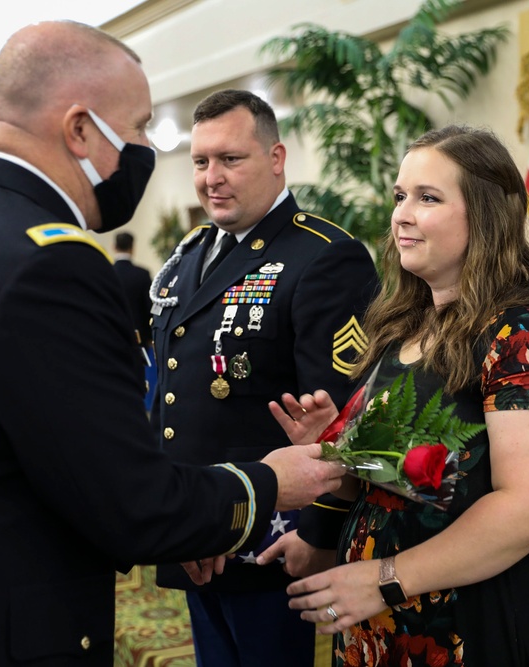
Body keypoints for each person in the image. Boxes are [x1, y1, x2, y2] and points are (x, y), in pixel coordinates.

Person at [0, 22, 343, 666]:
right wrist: (265, 484)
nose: (144, 150)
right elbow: (130, 503)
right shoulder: (52, 263)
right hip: (3, 623)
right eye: (136, 129)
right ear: (81, 129)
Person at [263, 125, 529, 665]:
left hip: (486, 618)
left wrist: (384, 580)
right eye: (400, 196)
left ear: (486, 217)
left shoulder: (525, 337)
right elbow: (417, 476)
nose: (401, 214)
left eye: (427, 198)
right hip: (386, 614)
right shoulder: (403, 326)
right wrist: (336, 447)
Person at [148, 89, 378, 666]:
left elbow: (345, 418)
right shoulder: (190, 255)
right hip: (201, 527)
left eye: (231, 159)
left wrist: (320, 534)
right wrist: (177, 517)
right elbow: (172, 398)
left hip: (277, 543)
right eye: (200, 162)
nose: (212, 178)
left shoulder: (323, 256)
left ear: (276, 159)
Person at [112, 231, 158, 409]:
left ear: (114, 246)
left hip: (113, 335)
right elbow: (150, 308)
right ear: (133, 248)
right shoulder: (142, 274)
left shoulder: (108, 272)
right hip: (139, 337)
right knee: (143, 375)